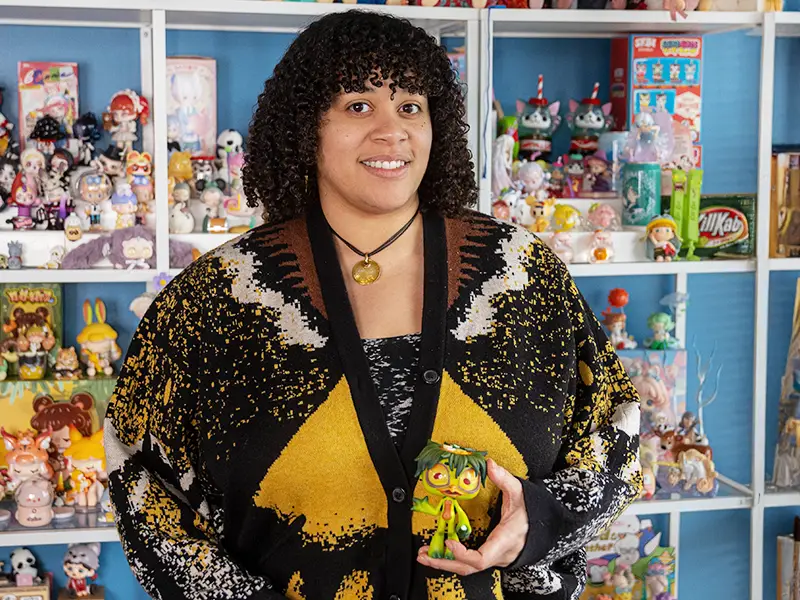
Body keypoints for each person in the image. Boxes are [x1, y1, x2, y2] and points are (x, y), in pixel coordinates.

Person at [105, 10, 641, 600]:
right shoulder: (216, 299)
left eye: (411, 106)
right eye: (359, 105)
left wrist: (536, 522)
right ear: (305, 126)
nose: (393, 131)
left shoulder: (523, 277)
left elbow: (616, 431)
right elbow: (141, 480)